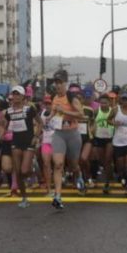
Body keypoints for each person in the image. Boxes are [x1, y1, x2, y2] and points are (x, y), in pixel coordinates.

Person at [49, 70, 86, 209]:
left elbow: (81, 114)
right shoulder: (55, 98)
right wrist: (48, 118)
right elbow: (53, 112)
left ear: (65, 83)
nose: (57, 85)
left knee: (73, 165)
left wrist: (65, 111)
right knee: (58, 164)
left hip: (72, 134)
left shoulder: (71, 97)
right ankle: (57, 196)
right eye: (56, 83)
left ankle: (79, 174)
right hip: (59, 134)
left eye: (60, 83)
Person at [0, 85, 41, 208]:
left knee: (24, 171)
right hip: (16, 142)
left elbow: (40, 122)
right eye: (14, 94)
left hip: (28, 142)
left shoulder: (29, 109)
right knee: (17, 172)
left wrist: (36, 136)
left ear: (23, 96)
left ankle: (32, 171)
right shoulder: (9, 111)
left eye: (18, 94)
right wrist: (2, 133)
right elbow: (5, 124)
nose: (16, 96)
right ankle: (24, 197)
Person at [111, 91, 127, 197]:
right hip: (118, 142)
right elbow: (108, 120)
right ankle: (123, 177)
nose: (125, 101)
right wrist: (113, 122)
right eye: (123, 99)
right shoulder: (115, 109)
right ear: (120, 100)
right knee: (121, 166)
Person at [92, 94, 115, 194]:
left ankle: (107, 182)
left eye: (105, 103)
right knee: (102, 160)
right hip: (99, 137)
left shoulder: (112, 111)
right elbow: (92, 122)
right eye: (101, 103)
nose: (103, 105)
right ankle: (109, 173)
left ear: (109, 103)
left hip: (110, 138)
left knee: (107, 159)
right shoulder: (96, 111)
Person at [38, 94, 55, 195]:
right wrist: (38, 136)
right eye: (46, 103)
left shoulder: (58, 113)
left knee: (57, 164)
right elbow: (38, 126)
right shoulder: (41, 114)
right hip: (46, 142)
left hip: (57, 142)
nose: (48, 105)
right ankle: (49, 188)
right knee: (46, 164)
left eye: (50, 103)